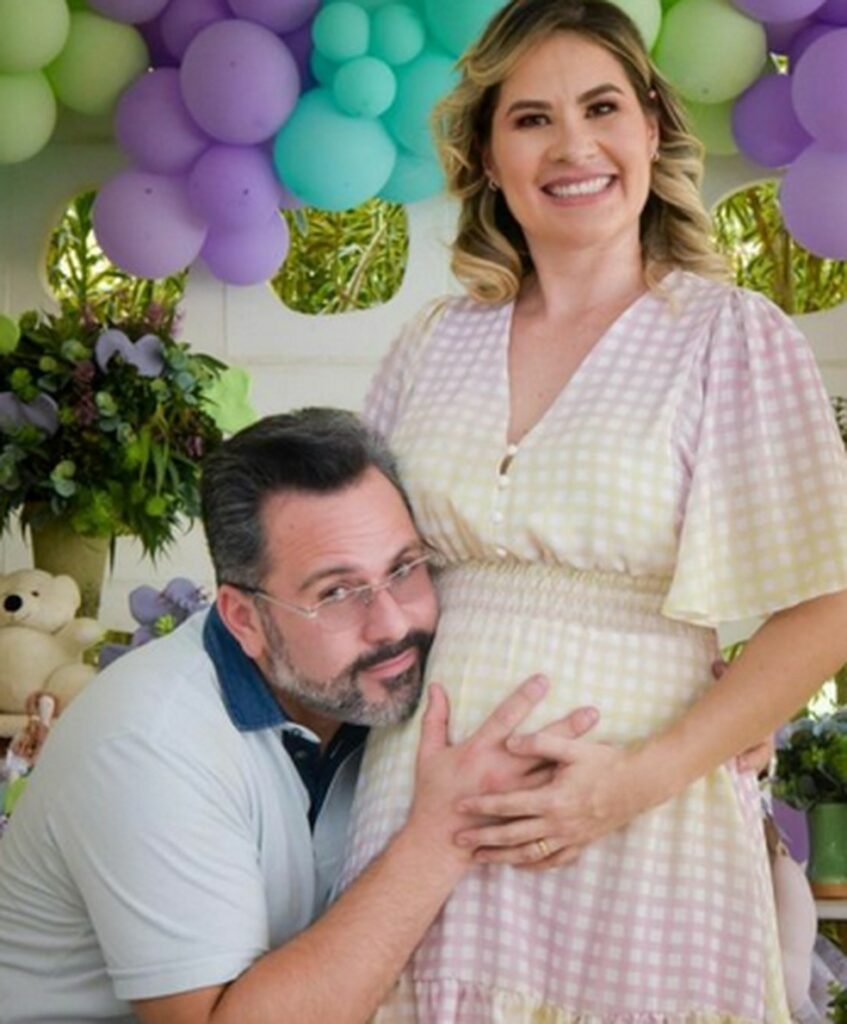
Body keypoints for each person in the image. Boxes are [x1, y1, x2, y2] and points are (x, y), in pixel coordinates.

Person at [338, 1, 847, 1021]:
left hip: (639, 819)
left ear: (650, 129)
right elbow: (360, 576)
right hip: (422, 811)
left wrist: (630, 784)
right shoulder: (431, 343)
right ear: (488, 156)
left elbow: (828, 603)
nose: (572, 146)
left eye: (601, 107)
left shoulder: (728, 337)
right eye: (530, 118)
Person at [0, 409, 603, 1024]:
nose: (392, 624)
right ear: (245, 619)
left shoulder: (369, 692)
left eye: (403, 568)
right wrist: (443, 834)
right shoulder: (150, 746)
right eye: (336, 593)